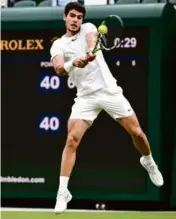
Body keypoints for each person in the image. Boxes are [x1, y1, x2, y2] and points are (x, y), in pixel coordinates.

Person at [50, 2, 164, 214]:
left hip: (109, 91)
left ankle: (148, 162)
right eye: (72, 16)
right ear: (65, 18)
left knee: (137, 133)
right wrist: (74, 63)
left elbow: (91, 41)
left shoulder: (90, 28)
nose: (76, 20)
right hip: (85, 97)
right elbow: (58, 68)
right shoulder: (58, 45)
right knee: (71, 139)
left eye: (79, 17)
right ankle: (63, 191)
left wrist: (87, 53)